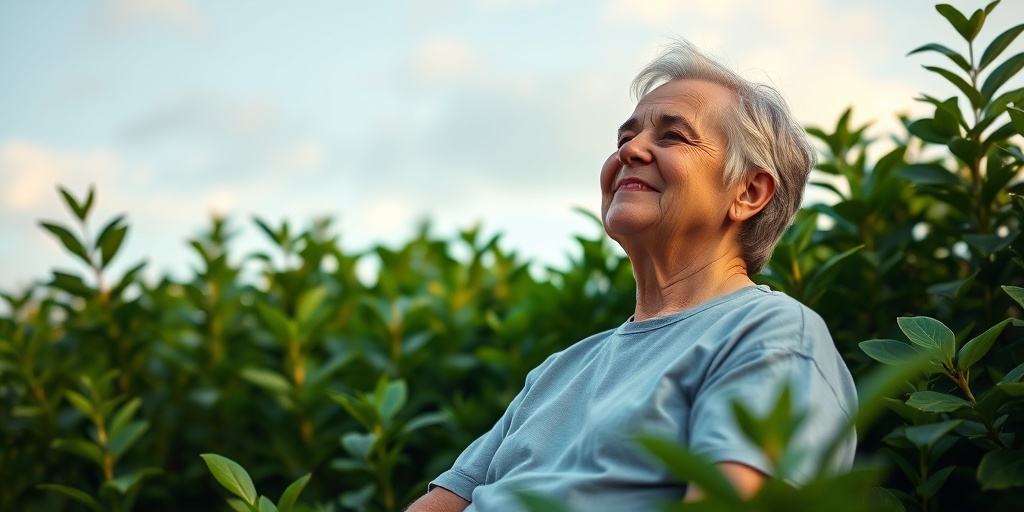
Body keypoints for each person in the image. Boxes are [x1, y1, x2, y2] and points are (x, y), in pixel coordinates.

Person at [406, 38, 857, 511]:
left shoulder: (772, 334)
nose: (630, 151)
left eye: (672, 136)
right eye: (623, 139)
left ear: (748, 191)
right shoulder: (559, 370)